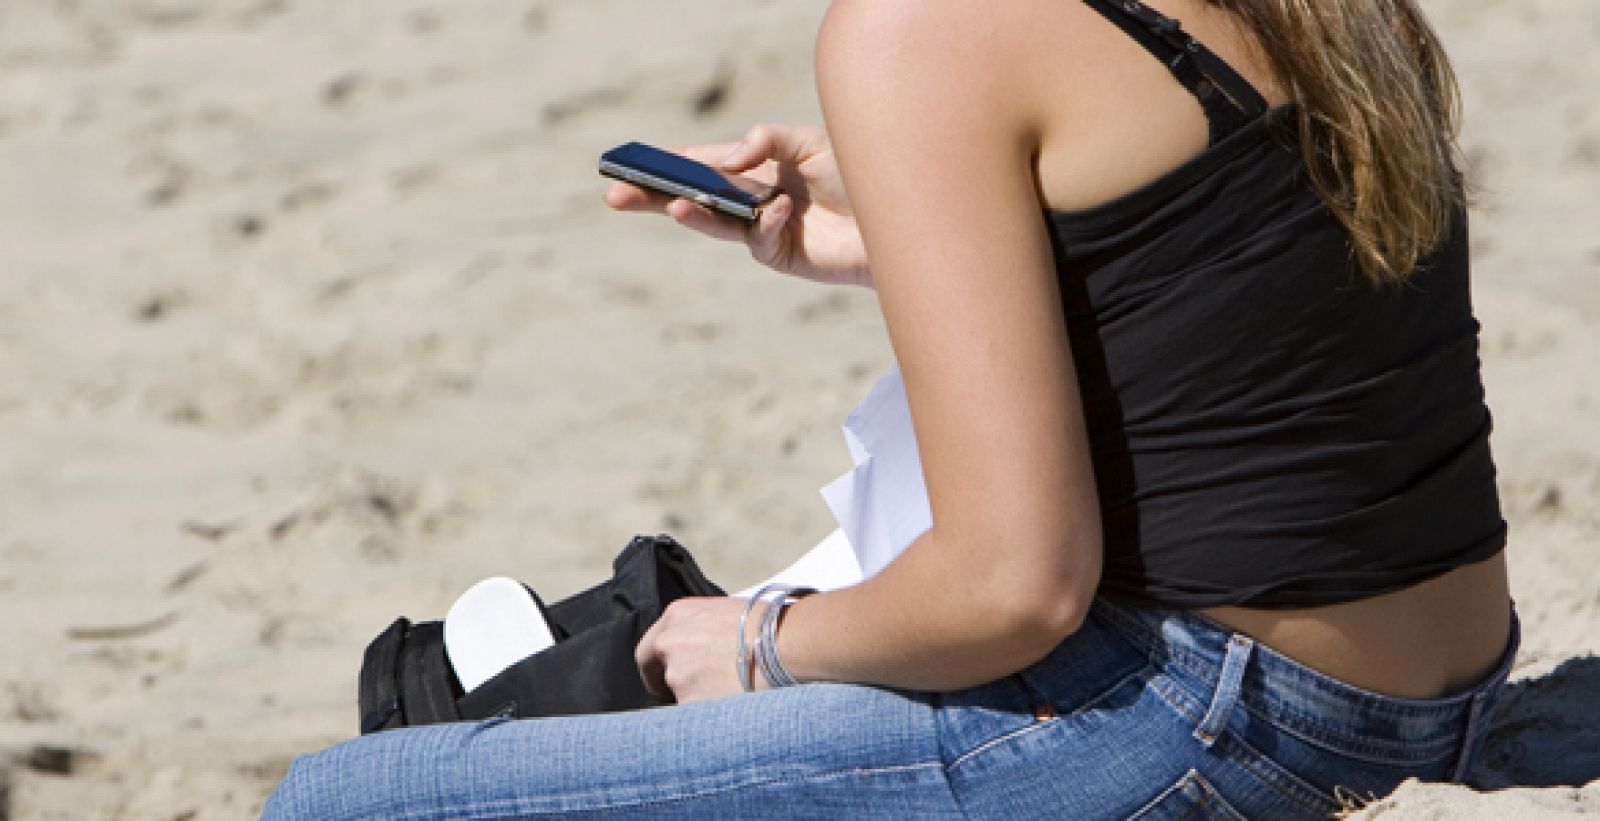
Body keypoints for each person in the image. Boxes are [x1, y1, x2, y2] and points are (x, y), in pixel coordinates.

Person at [265, 0, 1517, 817]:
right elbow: (1252, 308)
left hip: (1216, 713)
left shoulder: (925, 29)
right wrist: (921, 238)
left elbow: (1014, 586)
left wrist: (757, 644)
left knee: (348, 799)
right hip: (1432, 679)